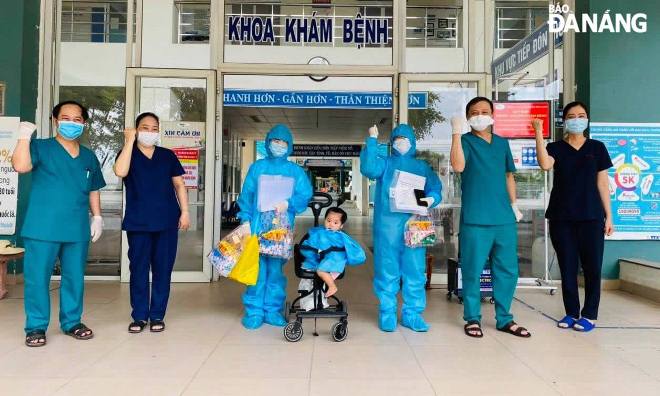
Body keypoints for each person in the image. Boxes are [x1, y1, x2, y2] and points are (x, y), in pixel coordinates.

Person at [12, 101, 106, 347]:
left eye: (77, 120)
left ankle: (72, 322)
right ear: (55, 121)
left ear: (84, 124)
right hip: (43, 227)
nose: (71, 123)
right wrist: (23, 137)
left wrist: (97, 216)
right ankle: (35, 327)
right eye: (66, 118)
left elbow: (94, 188)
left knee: (74, 278)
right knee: (37, 279)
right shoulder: (40, 147)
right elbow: (21, 166)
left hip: (76, 228)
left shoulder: (88, 156)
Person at [450, 97, 530, 339]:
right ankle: (472, 318)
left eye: (485, 111)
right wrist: (455, 132)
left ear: (493, 114)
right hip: (476, 219)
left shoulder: (501, 144)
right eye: (474, 112)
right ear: (468, 118)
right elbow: (458, 166)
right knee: (473, 271)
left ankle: (505, 318)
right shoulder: (464, 141)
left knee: (507, 270)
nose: (480, 115)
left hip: (504, 218)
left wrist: (514, 205)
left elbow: (508, 176)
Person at [534, 101, 613, 332]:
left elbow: (603, 183)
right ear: (565, 121)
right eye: (572, 115)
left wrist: (609, 216)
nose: (577, 119)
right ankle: (571, 312)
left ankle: (589, 315)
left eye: (581, 115)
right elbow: (544, 164)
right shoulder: (556, 148)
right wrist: (539, 133)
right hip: (562, 217)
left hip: (591, 216)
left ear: (587, 119)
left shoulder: (597, 148)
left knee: (592, 267)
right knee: (567, 266)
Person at [360, 124, 442, 332]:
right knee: (387, 268)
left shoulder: (421, 167)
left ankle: (412, 314)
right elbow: (368, 168)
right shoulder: (385, 164)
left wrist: (430, 199)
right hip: (387, 226)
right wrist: (372, 140)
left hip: (416, 223)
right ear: (391, 142)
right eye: (397, 139)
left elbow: (435, 188)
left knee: (415, 270)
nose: (401, 142)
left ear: (412, 142)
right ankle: (387, 311)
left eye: (405, 139)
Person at [113, 112, 190, 333]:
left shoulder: (167, 155)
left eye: (154, 128)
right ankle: (139, 316)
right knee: (138, 269)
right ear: (136, 129)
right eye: (145, 128)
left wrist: (185, 212)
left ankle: (157, 315)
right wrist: (129, 141)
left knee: (162, 270)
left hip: (167, 220)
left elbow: (179, 185)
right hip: (138, 223)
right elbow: (120, 171)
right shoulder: (127, 153)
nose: (150, 132)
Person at [237, 124, 312, 329]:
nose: (278, 145)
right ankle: (253, 312)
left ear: (289, 146)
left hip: (280, 227)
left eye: (283, 142)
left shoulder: (295, 171)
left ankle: (272, 310)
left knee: (275, 271)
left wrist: (289, 203)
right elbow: (247, 194)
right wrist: (245, 218)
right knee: (256, 270)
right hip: (257, 225)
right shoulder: (257, 167)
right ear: (268, 141)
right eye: (275, 141)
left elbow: (305, 194)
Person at [300, 207, 366, 297]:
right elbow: (309, 245)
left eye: (335, 223)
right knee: (315, 272)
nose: (331, 224)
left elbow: (349, 249)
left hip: (335, 261)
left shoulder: (340, 237)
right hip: (326, 259)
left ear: (341, 226)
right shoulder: (320, 232)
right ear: (325, 220)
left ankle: (332, 286)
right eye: (328, 221)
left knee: (320, 271)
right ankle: (318, 296)